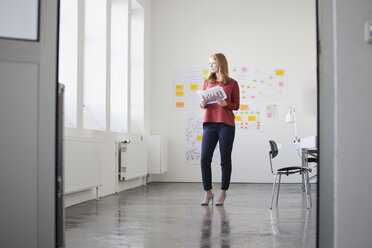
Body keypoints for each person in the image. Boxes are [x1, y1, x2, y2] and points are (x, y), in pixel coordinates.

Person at [200, 53, 240, 206]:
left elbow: (236, 105)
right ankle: (207, 192)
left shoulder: (232, 83)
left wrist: (226, 104)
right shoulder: (207, 82)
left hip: (226, 125)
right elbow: (203, 102)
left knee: (225, 159)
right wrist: (203, 104)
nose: (210, 65)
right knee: (204, 159)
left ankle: (223, 192)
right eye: (209, 63)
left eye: (213, 63)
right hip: (209, 123)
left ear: (221, 64)